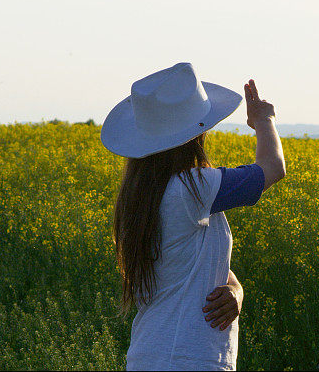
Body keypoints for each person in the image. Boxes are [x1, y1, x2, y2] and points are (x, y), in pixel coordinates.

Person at [100, 62, 286, 370]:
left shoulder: (142, 195)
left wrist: (236, 291)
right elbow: (272, 168)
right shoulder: (191, 189)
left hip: (150, 355)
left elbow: (196, 266)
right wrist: (265, 121)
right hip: (188, 358)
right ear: (196, 133)